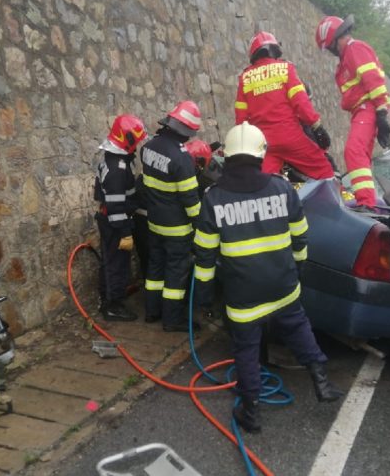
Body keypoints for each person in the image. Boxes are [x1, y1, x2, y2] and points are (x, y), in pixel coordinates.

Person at [193, 122, 344, 433]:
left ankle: (251, 412)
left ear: (227, 155)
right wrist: (297, 270)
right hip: (283, 286)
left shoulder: (214, 198)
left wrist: (205, 297)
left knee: (246, 349)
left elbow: (205, 257)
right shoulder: (282, 187)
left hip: (243, 297)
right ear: (261, 154)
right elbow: (300, 238)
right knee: (298, 328)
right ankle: (322, 382)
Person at [316, 15, 390, 207]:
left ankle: (366, 204)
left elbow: (372, 79)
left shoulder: (354, 48)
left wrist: (381, 112)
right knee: (363, 158)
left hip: (367, 108)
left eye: (330, 47)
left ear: (335, 40)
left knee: (354, 151)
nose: (332, 52)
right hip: (362, 110)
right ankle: (369, 201)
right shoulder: (349, 55)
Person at [234, 31, 335, 180]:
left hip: (264, 144)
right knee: (325, 172)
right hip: (290, 137)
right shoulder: (286, 69)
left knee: (263, 186)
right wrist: (316, 126)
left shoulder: (245, 78)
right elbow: (301, 103)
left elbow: (241, 119)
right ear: (274, 50)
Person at [141, 101, 204, 332]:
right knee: (176, 273)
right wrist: (200, 226)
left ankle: (152, 311)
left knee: (155, 268)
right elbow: (190, 199)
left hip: (154, 222)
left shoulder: (147, 148)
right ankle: (172, 320)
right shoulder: (182, 159)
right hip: (177, 229)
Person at [93, 114, 148, 321]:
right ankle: (113, 306)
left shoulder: (116, 160)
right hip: (115, 223)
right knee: (117, 265)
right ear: (128, 139)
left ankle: (107, 300)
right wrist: (125, 232)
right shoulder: (117, 168)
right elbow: (116, 207)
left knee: (111, 263)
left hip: (113, 220)